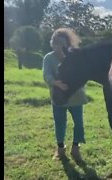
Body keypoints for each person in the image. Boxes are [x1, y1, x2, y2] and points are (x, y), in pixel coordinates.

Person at [42, 28, 88, 161]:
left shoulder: (74, 57)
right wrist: (56, 83)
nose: (58, 46)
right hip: (58, 96)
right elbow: (46, 75)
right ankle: (60, 148)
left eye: (61, 43)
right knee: (60, 123)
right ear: (52, 43)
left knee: (79, 123)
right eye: (55, 43)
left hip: (76, 96)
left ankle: (76, 148)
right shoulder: (48, 58)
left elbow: (82, 73)